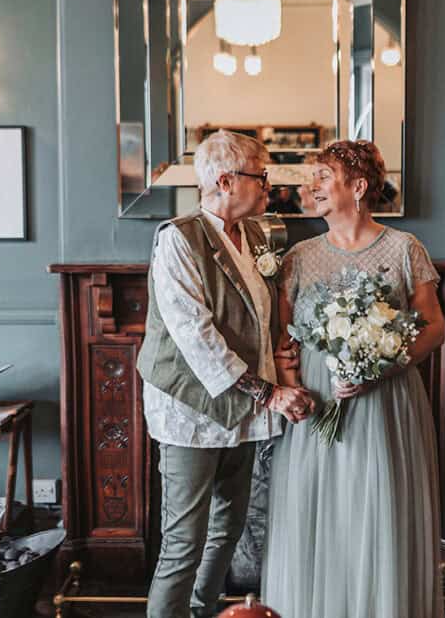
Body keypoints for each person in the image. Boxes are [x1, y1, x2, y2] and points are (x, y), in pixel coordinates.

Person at [261, 139, 445, 617]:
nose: (311, 186)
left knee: (380, 509)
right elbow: (283, 338)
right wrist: (293, 386)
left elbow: (435, 326)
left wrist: (385, 365)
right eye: (313, 177)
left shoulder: (406, 249)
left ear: (358, 186)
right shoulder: (298, 257)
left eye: (323, 176)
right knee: (320, 512)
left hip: (387, 402)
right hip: (319, 403)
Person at [138, 130, 315, 618]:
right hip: (190, 410)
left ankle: (202, 612)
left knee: (228, 529)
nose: (268, 187)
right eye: (261, 177)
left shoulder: (257, 235)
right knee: (183, 541)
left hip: (239, 409)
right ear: (225, 180)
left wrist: (287, 356)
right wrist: (269, 394)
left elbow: (263, 315)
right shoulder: (178, 239)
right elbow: (197, 337)